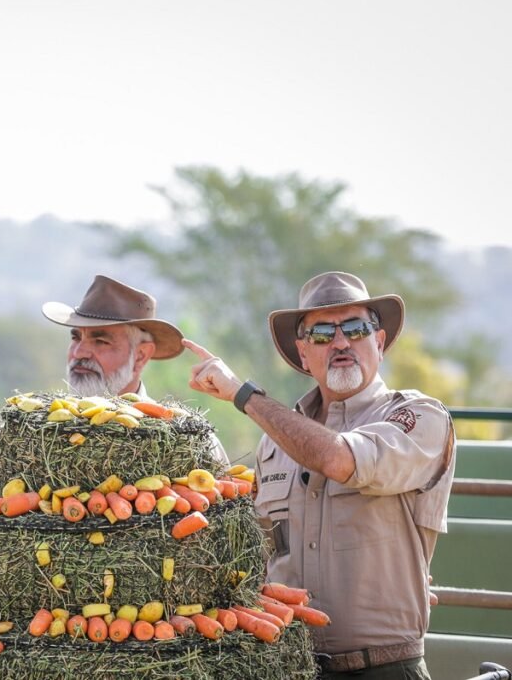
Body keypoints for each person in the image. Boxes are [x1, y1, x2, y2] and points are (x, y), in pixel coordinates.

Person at [182, 271, 454, 679]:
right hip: (290, 667)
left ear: (378, 343)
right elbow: (257, 556)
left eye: (356, 328)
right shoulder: (275, 444)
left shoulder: (418, 417)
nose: (342, 342)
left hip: (385, 668)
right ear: (303, 354)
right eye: (323, 333)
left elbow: (340, 460)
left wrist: (242, 394)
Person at [0, 274, 229, 534]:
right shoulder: (28, 429)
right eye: (76, 337)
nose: (80, 351)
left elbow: (228, 520)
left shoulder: (188, 439)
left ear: (142, 356)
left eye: (100, 341)